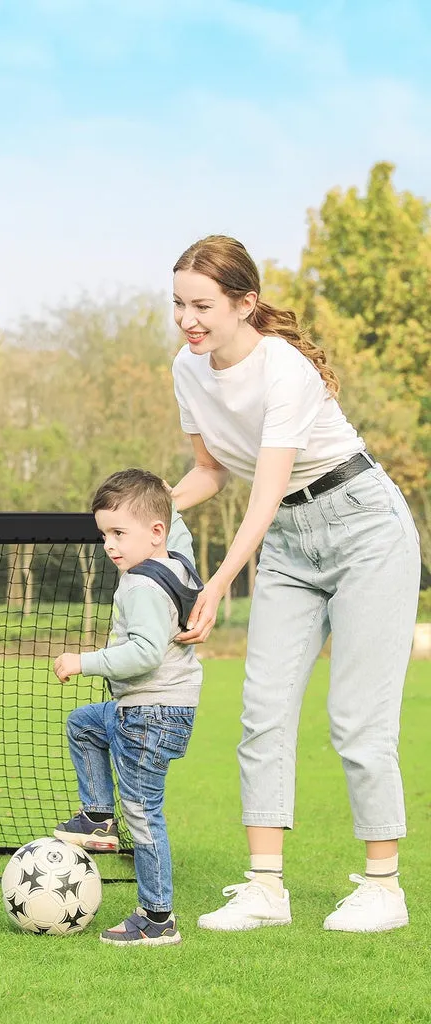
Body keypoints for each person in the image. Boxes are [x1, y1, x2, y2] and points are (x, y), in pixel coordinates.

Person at [169, 235, 421, 933]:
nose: (188, 321)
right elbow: (212, 472)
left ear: (245, 304)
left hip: (365, 528)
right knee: (263, 708)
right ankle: (265, 890)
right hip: (287, 539)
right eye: (178, 306)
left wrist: (218, 582)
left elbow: (265, 489)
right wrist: (151, 503)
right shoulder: (187, 372)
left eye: (202, 306)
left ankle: (383, 888)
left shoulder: (285, 371)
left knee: (357, 719)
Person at [53, 469, 203, 947]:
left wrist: (83, 662)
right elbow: (176, 523)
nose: (110, 546)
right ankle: (98, 816)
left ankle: (157, 917)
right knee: (84, 724)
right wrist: (159, 494)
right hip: (156, 711)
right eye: (104, 535)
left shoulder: (139, 584)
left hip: (148, 715)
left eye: (120, 533)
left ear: (153, 533)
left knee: (142, 813)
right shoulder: (178, 560)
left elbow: (144, 653)